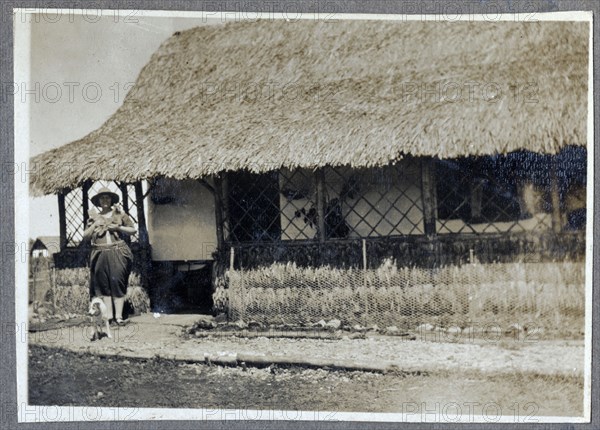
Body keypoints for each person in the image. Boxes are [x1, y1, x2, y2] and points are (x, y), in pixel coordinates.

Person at [83, 187, 137, 325]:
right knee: (104, 286)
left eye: (107, 197)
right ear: (98, 201)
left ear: (112, 199)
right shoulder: (93, 218)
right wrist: (95, 224)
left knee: (117, 282)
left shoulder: (119, 214)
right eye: (102, 198)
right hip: (100, 253)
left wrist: (118, 228)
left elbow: (133, 230)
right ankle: (110, 317)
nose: (105, 200)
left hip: (117, 251)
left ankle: (119, 317)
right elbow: (85, 236)